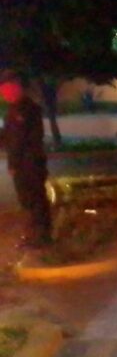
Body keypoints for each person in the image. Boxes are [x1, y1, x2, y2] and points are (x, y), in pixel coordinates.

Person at [1, 72, 52, 247]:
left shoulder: (27, 109)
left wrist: (14, 163)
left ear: (17, 87)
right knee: (27, 201)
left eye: (6, 89)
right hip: (23, 165)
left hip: (30, 164)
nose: (4, 94)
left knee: (35, 199)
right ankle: (33, 235)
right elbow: (7, 137)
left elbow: (20, 140)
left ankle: (42, 237)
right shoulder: (13, 110)